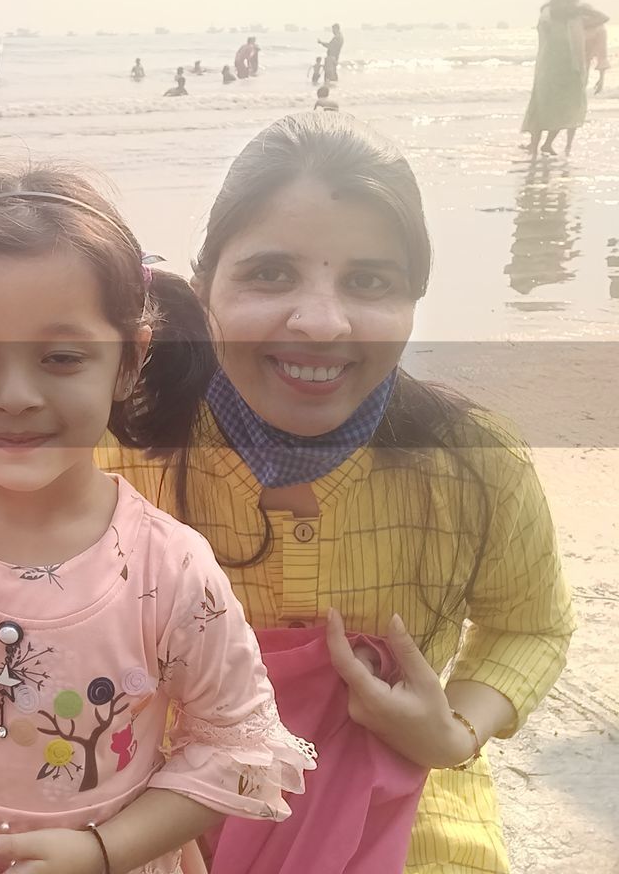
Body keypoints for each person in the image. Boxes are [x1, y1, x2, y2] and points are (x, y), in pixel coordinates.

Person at [0, 167, 316, 874]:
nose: (14, 396)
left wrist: (103, 850)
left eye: (62, 358)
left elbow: (235, 747)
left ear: (129, 362)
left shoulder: (171, 569)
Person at [98, 112, 573, 873]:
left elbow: (532, 624)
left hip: (404, 796)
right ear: (204, 285)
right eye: (271, 274)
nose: (321, 322)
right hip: (160, 798)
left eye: (369, 281)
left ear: (415, 299)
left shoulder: (475, 462)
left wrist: (452, 730)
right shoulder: (115, 455)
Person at [522, 0, 609, 156]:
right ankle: (533, 147)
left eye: (573, 2)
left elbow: (603, 18)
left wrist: (583, 9)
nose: (571, 5)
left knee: (565, 111)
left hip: (571, 72)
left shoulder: (577, 20)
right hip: (548, 71)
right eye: (569, 1)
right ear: (558, 1)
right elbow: (545, 21)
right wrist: (556, 8)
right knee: (541, 108)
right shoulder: (547, 17)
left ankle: (547, 144)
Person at [584, 19, 608, 94]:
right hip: (596, 31)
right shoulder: (600, 27)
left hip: (587, 33)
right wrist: (602, 78)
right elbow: (602, 56)